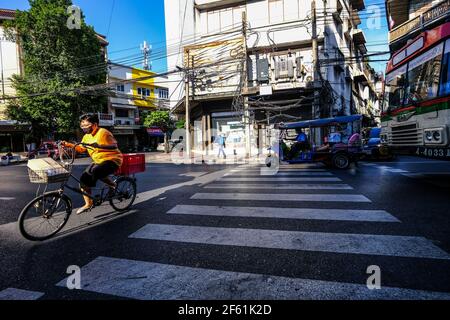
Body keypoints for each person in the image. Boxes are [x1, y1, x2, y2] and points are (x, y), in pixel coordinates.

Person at [62, 114, 123, 215]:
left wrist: (99, 146)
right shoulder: (86, 136)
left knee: (95, 171)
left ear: (94, 124)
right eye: (82, 127)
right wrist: (68, 144)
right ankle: (88, 203)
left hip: (113, 160)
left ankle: (112, 185)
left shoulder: (103, 132)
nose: (84, 129)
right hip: (98, 161)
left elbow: (114, 146)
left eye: (86, 126)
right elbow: (81, 148)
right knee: (83, 180)